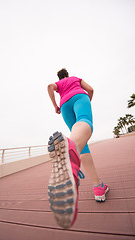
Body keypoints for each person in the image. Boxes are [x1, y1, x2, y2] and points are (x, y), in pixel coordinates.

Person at [47, 68, 109, 229]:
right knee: (84, 122)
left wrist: (55, 105)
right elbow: (90, 89)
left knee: (81, 142)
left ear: (59, 77)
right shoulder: (74, 78)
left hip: (64, 104)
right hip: (79, 97)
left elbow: (49, 86)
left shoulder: (59, 85)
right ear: (67, 75)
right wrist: (88, 99)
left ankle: (99, 188)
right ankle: (69, 146)